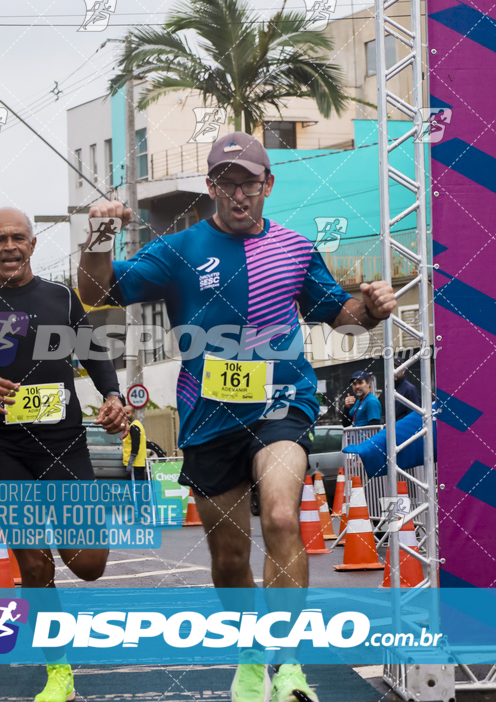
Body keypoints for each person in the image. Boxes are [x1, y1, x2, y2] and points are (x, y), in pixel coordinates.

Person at [78, 132, 396, 702]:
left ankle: (290, 664)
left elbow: (340, 317)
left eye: (249, 182)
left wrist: (369, 310)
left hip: (281, 406)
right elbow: (98, 290)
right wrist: (99, 232)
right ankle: (251, 656)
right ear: (211, 187)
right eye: (226, 183)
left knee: (279, 514)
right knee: (228, 557)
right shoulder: (178, 249)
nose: (238, 194)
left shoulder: (297, 249)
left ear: (267, 185)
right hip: (207, 416)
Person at [0, 207, 128, 702]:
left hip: (64, 444)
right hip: (7, 449)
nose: (8, 246)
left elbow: (94, 353)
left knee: (88, 564)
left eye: (17, 238)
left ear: (31, 244)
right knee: (36, 567)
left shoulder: (61, 298)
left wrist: (111, 396)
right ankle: (59, 673)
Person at [123, 404, 147, 480]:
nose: (125, 416)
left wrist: (130, 464)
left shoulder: (134, 427)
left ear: (133, 414)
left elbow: (135, 446)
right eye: (124, 413)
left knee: (135, 488)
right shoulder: (136, 425)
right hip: (138, 463)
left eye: (127, 413)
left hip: (135, 464)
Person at [394, 355, 421, 421]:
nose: (393, 371)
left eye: (396, 368)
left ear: (403, 370)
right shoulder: (388, 389)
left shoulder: (410, 389)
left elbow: (415, 416)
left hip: (403, 429)